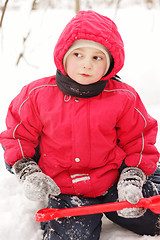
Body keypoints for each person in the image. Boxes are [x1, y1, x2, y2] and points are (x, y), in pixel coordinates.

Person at [0, 10, 160, 240]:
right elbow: (17, 137)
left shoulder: (124, 97)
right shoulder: (36, 95)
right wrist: (27, 171)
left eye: (97, 57)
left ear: (110, 63)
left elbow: (139, 139)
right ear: (63, 54)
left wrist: (132, 176)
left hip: (114, 179)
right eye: (78, 54)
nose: (86, 64)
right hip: (65, 189)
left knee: (145, 213)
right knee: (74, 236)